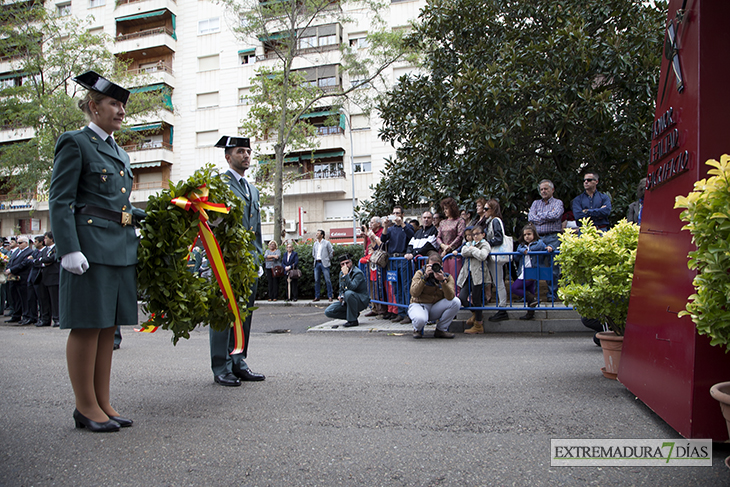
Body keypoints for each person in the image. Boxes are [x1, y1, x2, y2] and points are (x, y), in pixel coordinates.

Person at [49, 71, 143, 432]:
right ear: (93, 107)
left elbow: (120, 206)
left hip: (119, 247)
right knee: (88, 327)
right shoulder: (75, 143)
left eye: (123, 105)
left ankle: (102, 401)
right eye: (114, 104)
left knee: (108, 328)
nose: (121, 111)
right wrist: (68, 249)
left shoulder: (120, 151)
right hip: (88, 248)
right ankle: (85, 406)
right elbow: (61, 199)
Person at [209, 135, 265, 386]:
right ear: (227, 156)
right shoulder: (218, 184)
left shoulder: (252, 189)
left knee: (244, 314)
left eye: (248, 151)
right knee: (223, 314)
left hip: (248, 261)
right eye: (240, 151)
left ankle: (238, 362)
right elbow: (211, 222)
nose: (246, 155)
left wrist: (259, 257)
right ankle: (221, 366)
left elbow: (257, 228)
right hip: (226, 260)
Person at [408, 252, 460, 339]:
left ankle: (441, 329)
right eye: (431, 266)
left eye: (436, 266)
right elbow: (414, 292)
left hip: (435, 307)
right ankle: (417, 329)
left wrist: (442, 282)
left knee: (456, 302)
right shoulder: (420, 273)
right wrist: (424, 278)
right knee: (421, 319)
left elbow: (450, 296)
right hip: (420, 304)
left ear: (441, 265)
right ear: (427, 265)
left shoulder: (446, 277)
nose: (433, 269)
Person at [527, 179, 564, 301]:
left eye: (546, 189)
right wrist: (547, 215)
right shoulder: (536, 203)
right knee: (536, 266)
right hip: (538, 238)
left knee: (553, 267)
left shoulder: (558, 203)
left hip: (553, 237)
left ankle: (552, 295)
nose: (543, 191)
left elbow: (556, 215)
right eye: (541, 189)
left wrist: (539, 216)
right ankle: (534, 296)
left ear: (552, 190)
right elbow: (531, 217)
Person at [511, 224, 553, 320]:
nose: (527, 236)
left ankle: (533, 299)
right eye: (525, 234)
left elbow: (547, 247)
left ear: (534, 234)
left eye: (529, 234)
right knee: (530, 290)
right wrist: (523, 250)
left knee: (515, 288)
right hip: (523, 270)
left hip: (533, 270)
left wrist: (550, 248)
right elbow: (517, 256)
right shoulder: (521, 245)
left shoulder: (539, 243)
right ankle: (530, 313)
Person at [380, 207, 414, 323]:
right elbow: (383, 239)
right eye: (394, 214)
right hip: (392, 261)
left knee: (406, 287)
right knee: (396, 287)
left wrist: (402, 224)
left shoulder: (408, 227)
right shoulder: (391, 229)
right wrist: (385, 226)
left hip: (403, 259)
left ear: (403, 214)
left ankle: (409, 313)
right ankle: (401, 312)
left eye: (398, 213)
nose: (396, 216)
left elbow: (411, 236)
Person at [459, 226, 492, 334]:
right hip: (468, 274)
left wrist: (473, 249)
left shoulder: (485, 244)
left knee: (477, 299)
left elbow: (483, 256)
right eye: (473, 234)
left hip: (478, 275)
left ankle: (478, 325)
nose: (475, 236)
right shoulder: (469, 244)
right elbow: (463, 252)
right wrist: (472, 250)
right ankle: (475, 314)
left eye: (478, 234)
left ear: (483, 234)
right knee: (462, 297)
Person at [324, 254, 370, 327]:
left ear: (351, 262)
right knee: (328, 311)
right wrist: (340, 296)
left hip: (360, 300)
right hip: (346, 299)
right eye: (342, 264)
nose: (345, 265)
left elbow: (352, 287)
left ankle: (352, 320)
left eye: (347, 263)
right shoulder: (341, 273)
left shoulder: (357, 273)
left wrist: (346, 275)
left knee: (348, 293)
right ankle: (353, 315)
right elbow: (341, 288)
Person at [483, 199, 510, 322]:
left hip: (496, 255)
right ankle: (502, 307)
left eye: (486, 209)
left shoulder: (495, 221)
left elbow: (498, 238)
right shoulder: (491, 221)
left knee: (498, 281)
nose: (484, 211)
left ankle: (502, 308)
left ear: (493, 209)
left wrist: (486, 243)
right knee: (497, 281)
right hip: (494, 255)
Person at [4, 236, 33, 324]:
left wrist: (12, 270)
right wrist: (8, 269)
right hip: (13, 278)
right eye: (18, 243)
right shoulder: (17, 251)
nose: (19, 244)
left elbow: (23, 264)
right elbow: (11, 261)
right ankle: (16, 315)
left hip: (22, 277)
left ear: (26, 243)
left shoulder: (29, 252)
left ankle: (26, 315)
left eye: (21, 243)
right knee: (15, 297)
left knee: (24, 298)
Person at [40, 231, 60, 327]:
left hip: (53, 277)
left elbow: (52, 259)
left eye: (46, 238)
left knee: (54, 299)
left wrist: (43, 261)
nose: (44, 240)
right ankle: (45, 319)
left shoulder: (57, 248)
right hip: (44, 277)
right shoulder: (45, 250)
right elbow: (37, 260)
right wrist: (43, 261)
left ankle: (57, 318)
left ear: (51, 239)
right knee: (44, 299)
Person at [28, 236, 48, 327]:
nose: (34, 243)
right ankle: (33, 317)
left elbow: (38, 262)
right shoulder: (36, 251)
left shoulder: (45, 251)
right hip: (32, 277)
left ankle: (43, 317)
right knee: (31, 298)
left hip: (40, 277)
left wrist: (34, 260)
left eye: (36, 241)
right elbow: (30, 261)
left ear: (41, 242)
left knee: (42, 299)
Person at [311, 229, 333, 302]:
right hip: (317, 262)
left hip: (325, 263)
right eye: (316, 233)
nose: (316, 234)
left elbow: (331, 252)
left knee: (327, 280)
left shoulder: (327, 243)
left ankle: (330, 296)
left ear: (322, 235)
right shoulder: (315, 244)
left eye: (318, 233)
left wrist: (327, 259)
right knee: (317, 280)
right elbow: (313, 253)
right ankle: (317, 296)